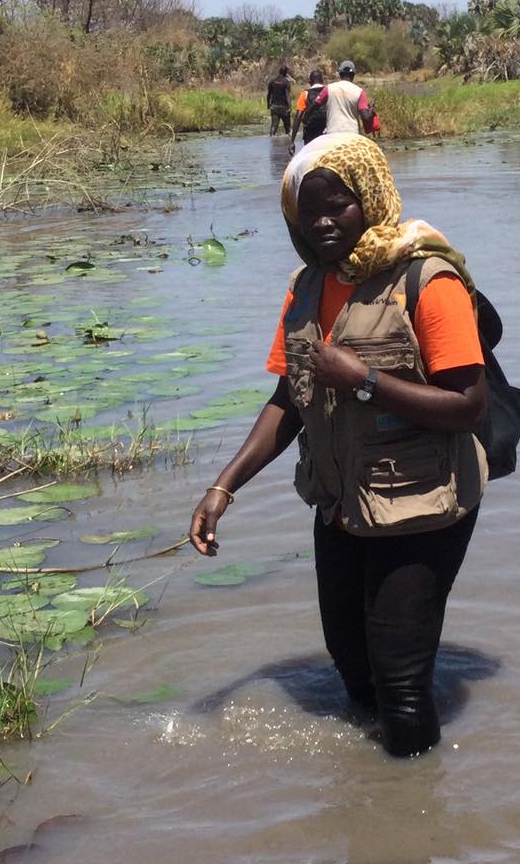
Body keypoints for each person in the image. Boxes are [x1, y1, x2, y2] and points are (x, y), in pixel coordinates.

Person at [189, 136, 487, 757]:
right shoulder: (306, 287)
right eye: (309, 210)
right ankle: (365, 805)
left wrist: (365, 381)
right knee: (351, 663)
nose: (322, 222)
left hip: (423, 504)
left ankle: (414, 834)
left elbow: (468, 406)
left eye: (339, 206)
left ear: (370, 201)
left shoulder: (426, 280)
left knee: (401, 683)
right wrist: (223, 487)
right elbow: (287, 400)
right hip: (342, 502)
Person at [288, 66, 325, 145]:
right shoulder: (329, 92)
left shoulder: (305, 94)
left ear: (310, 82)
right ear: (322, 80)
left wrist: (292, 141)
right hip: (327, 134)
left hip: (310, 134)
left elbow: (298, 117)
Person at [266, 61, 293, 135]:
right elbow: (287, 95)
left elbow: (269, 94)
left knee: (274, 126)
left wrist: (268, 104)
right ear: (285, 73)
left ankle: (271, 140)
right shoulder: (286, 82)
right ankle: (289, 141)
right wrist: (290, 106)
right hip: (284, 108)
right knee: (288, 128)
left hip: (274, 107)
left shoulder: (272, 81)